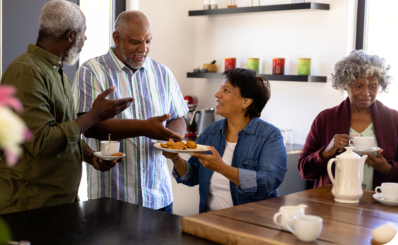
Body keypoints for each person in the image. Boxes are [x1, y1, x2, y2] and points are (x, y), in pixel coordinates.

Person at [0, 0, 133, 214]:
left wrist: (91, 156)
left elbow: (64, 130)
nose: (85, 39)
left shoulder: (55, 71)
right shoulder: (26, 72)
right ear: (70, 36)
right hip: (32, 206)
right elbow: (41, 141)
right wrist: (94, 115)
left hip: (61, 201)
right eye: (83, 33)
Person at [72, 10, 187, 213]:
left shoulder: (162, 72)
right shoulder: (91, 71)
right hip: (112, 199)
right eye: (135, 42)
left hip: (159, 197)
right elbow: (89, 127)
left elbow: (178, 116)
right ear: (117, 38)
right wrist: (144, 128)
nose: (143, 49)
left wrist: (173, 136)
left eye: (148, 41)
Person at [163, 68, 287, 213]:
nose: (217, 94)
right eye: (220, 89)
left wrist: (222, 167)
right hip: (211, 223)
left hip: (252, 225)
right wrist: (175, 158)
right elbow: (192, 176)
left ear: (245, 101)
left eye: (226, 90)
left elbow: (267, 183)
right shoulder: (211, 132)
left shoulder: (270, 136)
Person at [298, 50, 398, 190]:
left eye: (373, 86)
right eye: (358, 86)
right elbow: (305, 171)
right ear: (345, 85)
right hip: (331, 204)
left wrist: (386, 168)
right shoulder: (325, 119)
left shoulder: (394, 120)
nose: (366, 93)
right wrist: (326, 151)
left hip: (378, 207)